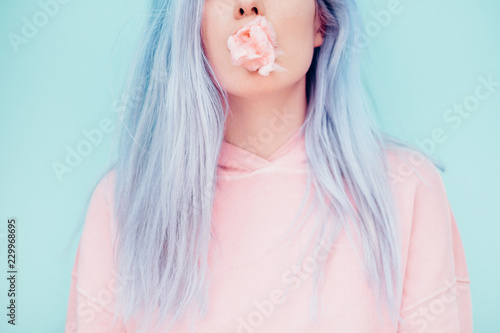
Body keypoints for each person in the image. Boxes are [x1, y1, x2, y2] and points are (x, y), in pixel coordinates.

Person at [65, 0, 473, 332]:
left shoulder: (407, 190)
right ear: (191, 27)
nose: (247, 7)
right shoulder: (124, 204)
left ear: (321, 23)